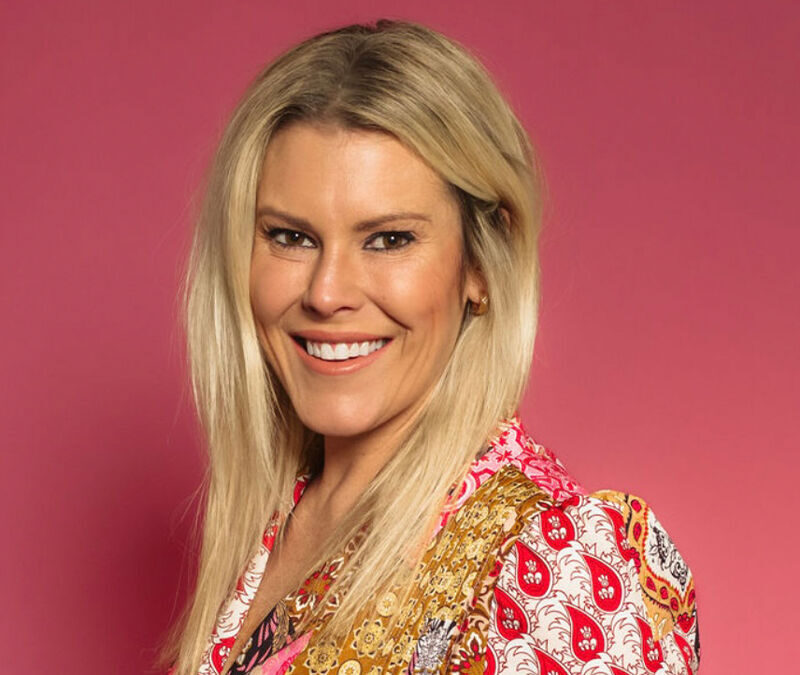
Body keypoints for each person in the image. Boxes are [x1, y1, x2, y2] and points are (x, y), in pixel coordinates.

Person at [163, 19, 699, 675]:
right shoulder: (279, 524)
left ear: (481, 262)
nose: (327, 292)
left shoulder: (554, 570)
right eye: (290, 237)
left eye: (388, 239)